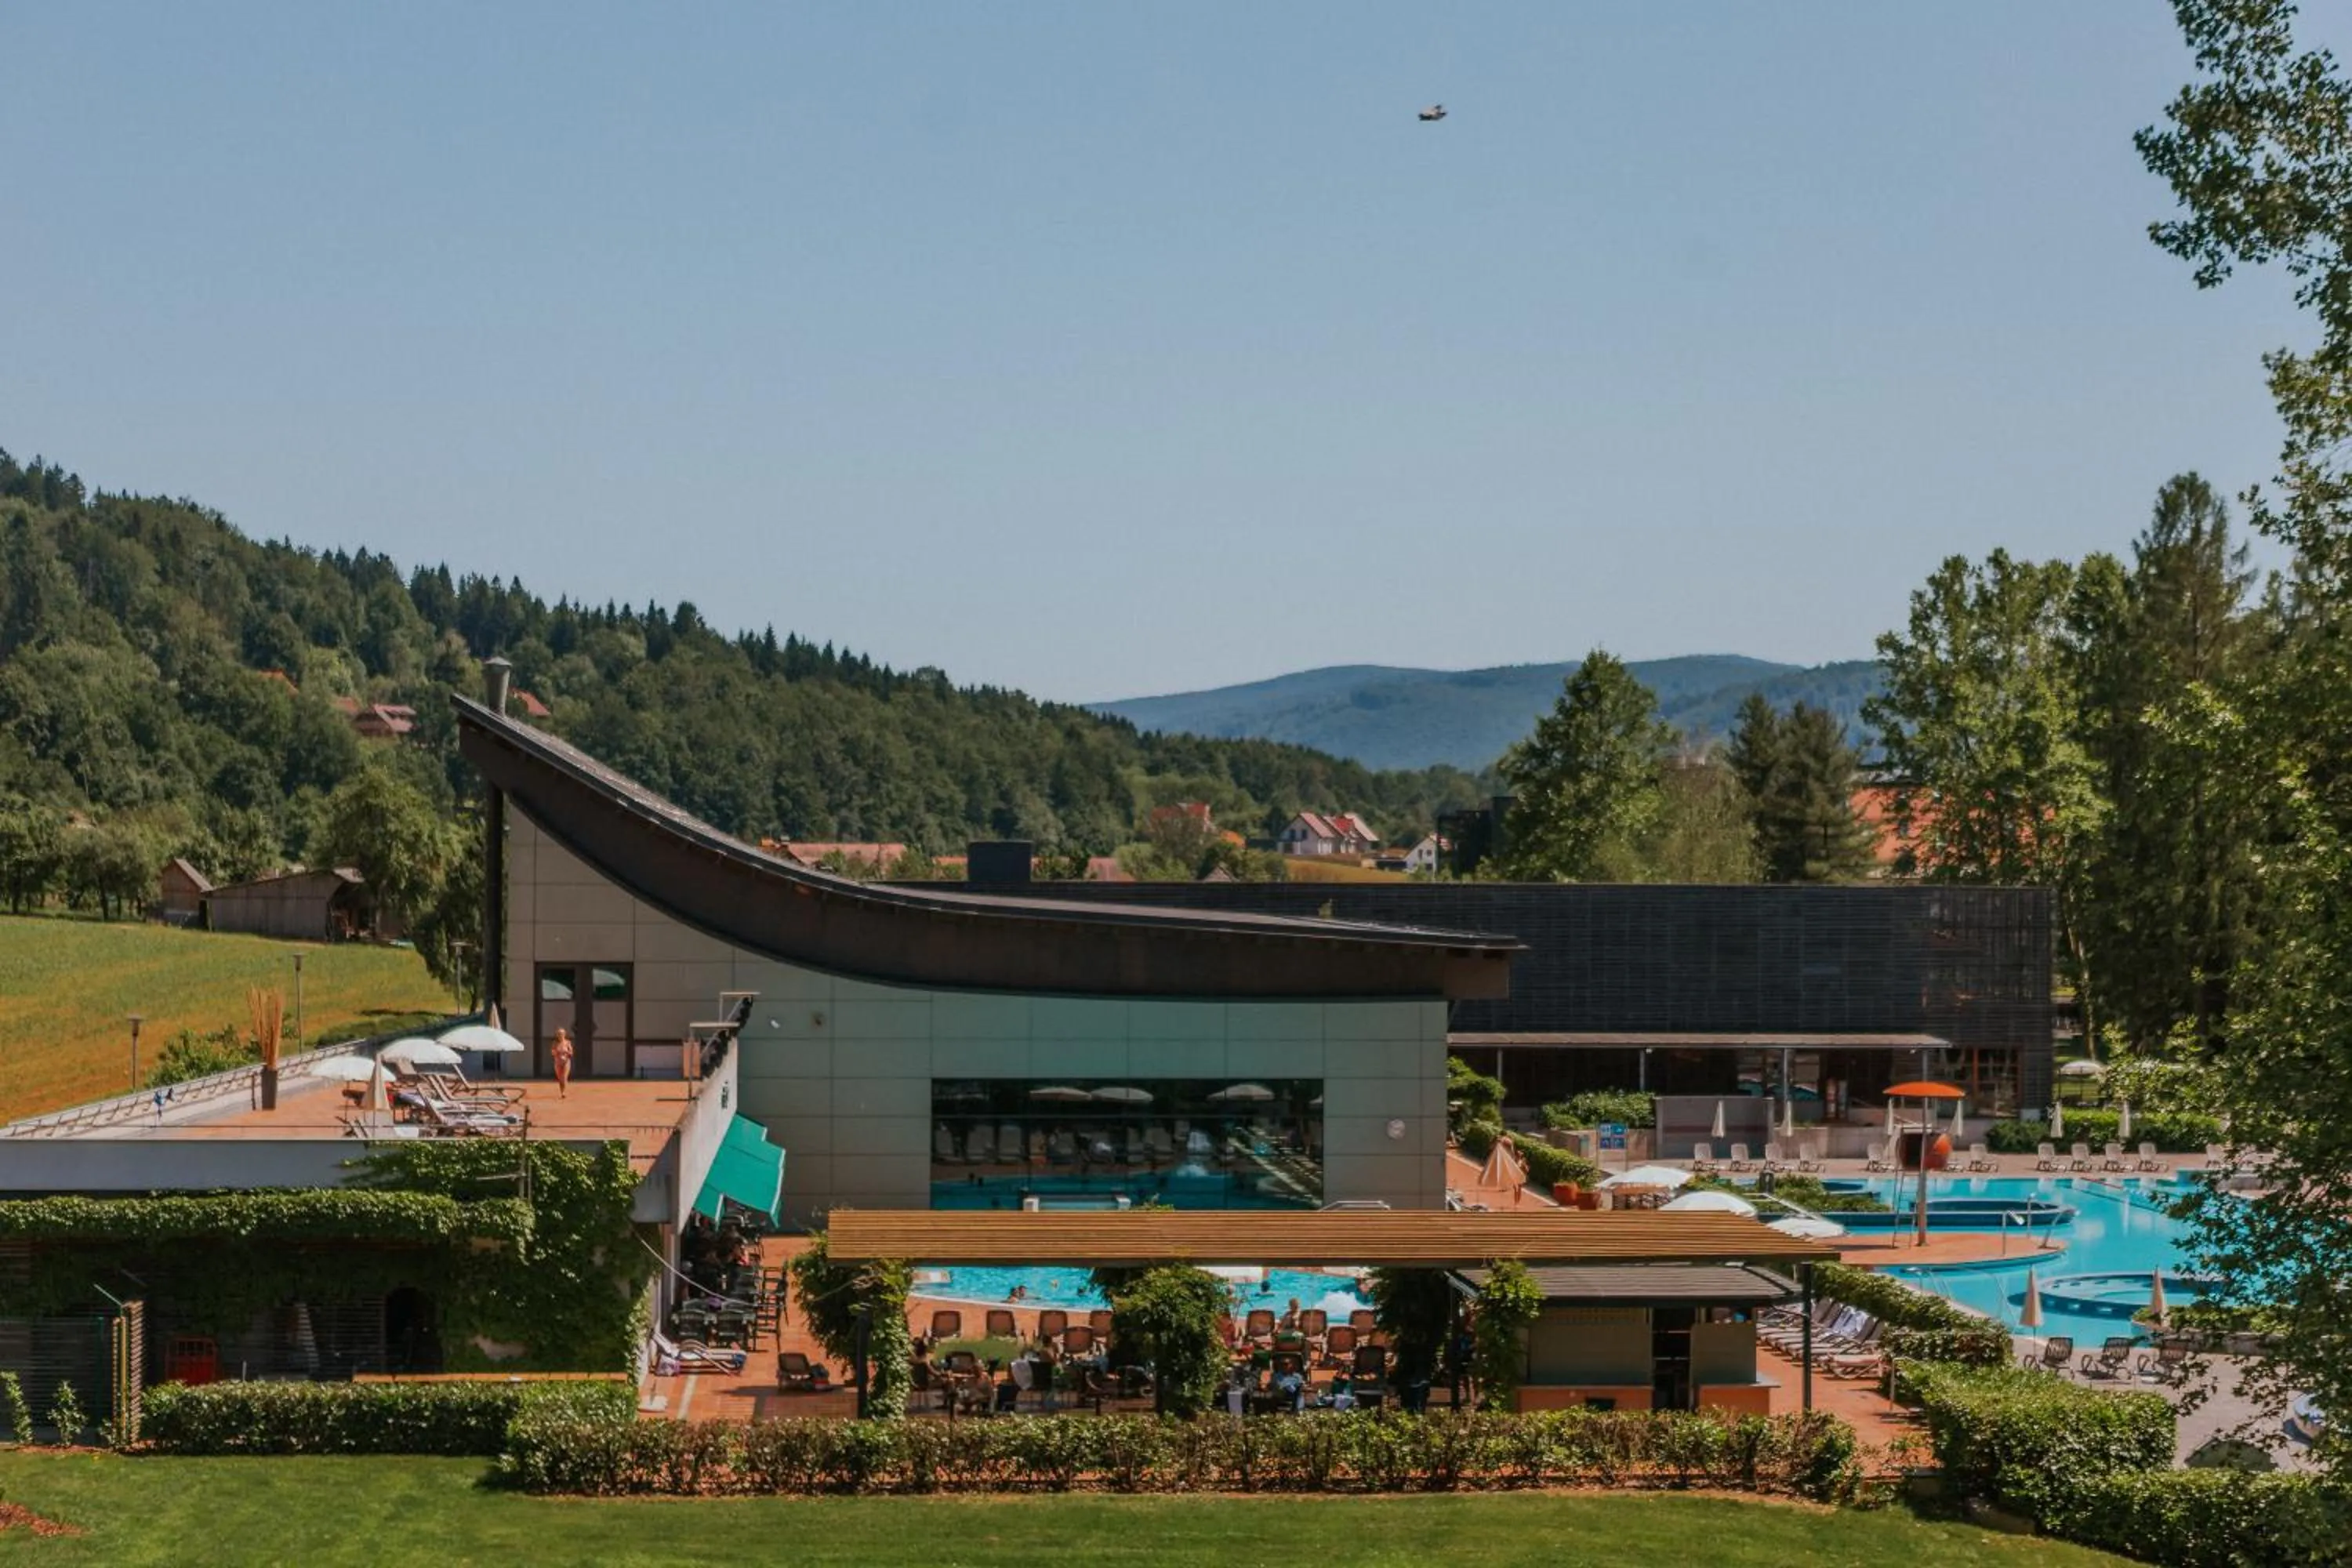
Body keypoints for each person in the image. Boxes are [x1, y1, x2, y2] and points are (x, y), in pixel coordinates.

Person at [550, 1027, 575, 1098]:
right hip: (558, 1062)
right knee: (560, 1079)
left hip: (566, 1062)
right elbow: (552, 1052)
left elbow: (571, 1052)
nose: (560, 1035)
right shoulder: (555, 1043)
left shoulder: (568, 1042)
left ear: (564, 1034)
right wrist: (556, 1052)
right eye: (559, 1034)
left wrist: (566, 1052)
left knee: (564, 1077)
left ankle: (564, 1093)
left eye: (561, 1034)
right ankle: (561, 1091)